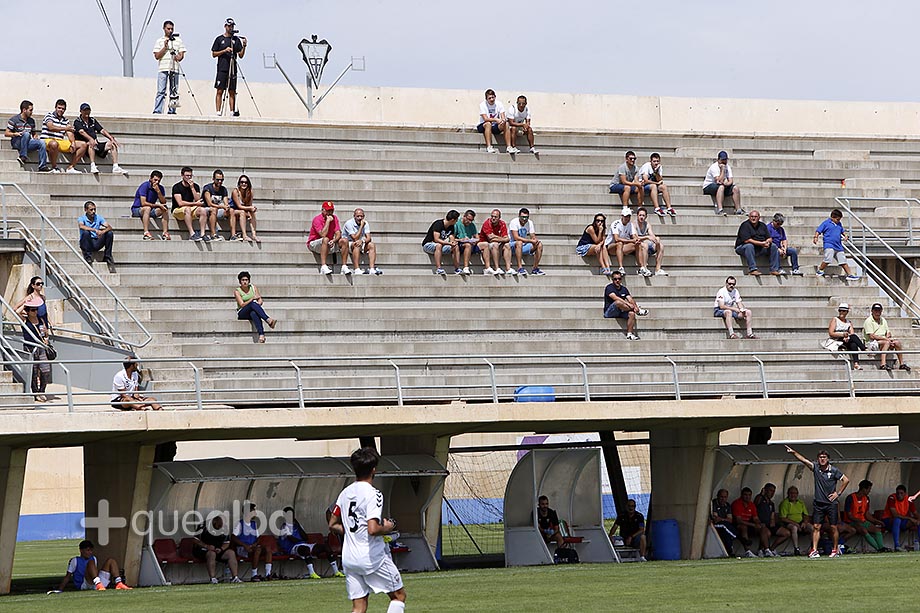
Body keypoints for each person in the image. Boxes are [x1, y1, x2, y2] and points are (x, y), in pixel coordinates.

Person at [329, 447, 407, 613]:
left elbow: (332, 524)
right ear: (373, 470)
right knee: (398, 596)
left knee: (359, 607)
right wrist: (388, 526)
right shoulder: (374, 494)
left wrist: (352, 531)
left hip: (349, 558)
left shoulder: (345, 493)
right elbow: (372, 529)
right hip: (371, 557)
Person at [785, 446, 849, 558]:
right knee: (816, 526)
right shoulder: (816, 468)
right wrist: (794, 452)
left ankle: (835, 550)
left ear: (828, 459)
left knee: (833, 527)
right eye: (820, 457)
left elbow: (846, 480)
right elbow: (804, 461)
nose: (822, 459)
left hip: (831, 504)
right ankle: (814, 550)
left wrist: (837, 493)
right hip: (819, 503)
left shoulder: (834, 470)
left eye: (824, 457)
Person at [279, 505, 343, 579]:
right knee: (305, 549)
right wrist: (302, 540)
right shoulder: (284, 527)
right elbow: (292, 540)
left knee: (325, 547)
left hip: (304, 544)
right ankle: (312, 573)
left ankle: (336, 571)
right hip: (292, 548)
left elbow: (305, 537)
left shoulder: (297, 525)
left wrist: (297, 525)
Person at [54, 540, 131, 591]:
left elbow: (94, 571)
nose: (90, 552)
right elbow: (68, 576)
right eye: (88, 550)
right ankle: (99, 584)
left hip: (94, 581)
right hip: (84, 584)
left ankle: (119, 583)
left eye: (91, 550)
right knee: (90, 562)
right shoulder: (75, 560)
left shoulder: (93, 558)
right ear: (81, 550)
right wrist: (60, 589)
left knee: (111, 561)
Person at [73, 103, 126, 175]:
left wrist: (111, 138)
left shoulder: (93, 120)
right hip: (85, 146)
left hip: (96, 143)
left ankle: (115, 167)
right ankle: (93, 165)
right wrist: (90, 139)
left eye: (88, 110)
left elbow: (102, 130)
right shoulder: (77, 121)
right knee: (90, 143)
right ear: (81, 111)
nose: (87, 112)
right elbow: (81, 132)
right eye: (85, 110)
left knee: (111, 144)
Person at [40, 99, 88, 174]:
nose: (61, 110)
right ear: (55, 108)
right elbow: (51, 127)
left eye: (63, 109)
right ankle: (54, 167)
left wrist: (73, 143)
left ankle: (71, 167)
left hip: (60, 141)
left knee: (83, 145)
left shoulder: (65, 120)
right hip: (47, 140)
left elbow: (70, 132)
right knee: (54, 144)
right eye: (59, 108)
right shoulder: (49, 116)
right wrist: (65, 128)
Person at [193, 515, 242, 584]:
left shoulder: (224, 528)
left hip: (217, 550)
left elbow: (227, 543)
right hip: (203, 550)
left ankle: (235, 577)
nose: (220, 528)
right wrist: (206, 546)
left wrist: (221, 549)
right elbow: (195, 540)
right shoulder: (203, 526)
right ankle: (213, 578)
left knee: (231, 553)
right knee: (211, 554)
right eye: (218, 526)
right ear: (214, 521)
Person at [212, 18, 246, 116]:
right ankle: (218, 111)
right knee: (220, 90)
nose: (231, 28)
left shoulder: (235, 40)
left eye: (232, 26)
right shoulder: (219, 39)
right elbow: (214, 54)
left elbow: (241, 55)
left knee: (232, 90)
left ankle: (232, 111)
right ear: (225, 26)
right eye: (229, 26)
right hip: (222, 68)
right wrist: (224, 51)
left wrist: (244, 46)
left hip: (233, 68)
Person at [231, 502, 274, 581]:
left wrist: (255, 544)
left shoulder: (254, 524)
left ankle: (268, 573)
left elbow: (257, 537)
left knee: (268, 548)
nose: (255, 513)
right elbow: (233, 537)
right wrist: (245, 545)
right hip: (243, 548)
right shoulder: (240, 523)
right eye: (253, 511)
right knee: (257, 550)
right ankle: (254, 574)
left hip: (253, 547)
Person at [864, 302, 910, 372]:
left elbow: (888, 332)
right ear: (872, 311)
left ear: (881, 311)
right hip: (871, 343)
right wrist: (886, 339)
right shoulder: (868, 321)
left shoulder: (883, 320)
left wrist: (888, 338)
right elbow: (871, 336)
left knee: (897, 342)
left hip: (883, 340)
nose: (877, 312)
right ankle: (883, 364)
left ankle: (901, 364)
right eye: (876, 310)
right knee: (886, 342)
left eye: (879, 310)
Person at [603, 269, 648, 341]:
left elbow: (630, 299)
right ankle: (638, 311)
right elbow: (615, 298)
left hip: (621, 311)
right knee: (618, 302)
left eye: (619, 279)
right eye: (615, 279)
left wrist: (635, 306)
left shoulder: (624, 289)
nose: (617, 280)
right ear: (612, 280)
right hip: (609, 312)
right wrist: (628, 304)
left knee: (632, 314)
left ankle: (629, 334)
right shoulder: (609, 287)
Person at [813, 208, 858, 280]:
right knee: (828, 258)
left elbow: (842, 231)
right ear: (832, 217)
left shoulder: (839, 224)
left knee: (843, 261)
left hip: (838, 246)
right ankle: (820, 270)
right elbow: (818, 230)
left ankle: (849, 274)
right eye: (837, 219)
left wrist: (845, 235)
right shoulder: (826, 223)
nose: (838, 221)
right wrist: (816, 237)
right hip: (829, 244)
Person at [5, 99, 50, 171]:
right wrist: (15, 134)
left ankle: (42, 166)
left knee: (42, 142)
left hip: (27, 142)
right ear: (24, 110)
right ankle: (23, 156)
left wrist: (36, 137)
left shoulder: (31, 121)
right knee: (26, 134)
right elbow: (6, 133)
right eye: (30, 110)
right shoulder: (14, 119)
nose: (32, 112)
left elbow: (33, 133)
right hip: (17, 142)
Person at [152, 20, 186, 114]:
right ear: (164, 29)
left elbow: (181, 55)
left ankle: (172, 110)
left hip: (174, 68)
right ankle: (158, 110)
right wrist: (165, 47)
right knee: (161, 91)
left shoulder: (178, 41)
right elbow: (157, 56)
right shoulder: (159, 41)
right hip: (163, 68)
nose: (170, 31)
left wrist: (178, 57)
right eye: (168, 29)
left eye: (172, 29)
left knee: (174, 90)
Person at [843, 479, 886, 552]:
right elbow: (849, 515)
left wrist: (876, 521)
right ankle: (879, 549)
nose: (869, 491)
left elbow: (866, 514)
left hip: (862, 521)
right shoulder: (850, 498)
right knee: (864, 530)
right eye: (869, 489)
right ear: (863, 489)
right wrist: (858, 521)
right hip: (851, 522)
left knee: (877, 530)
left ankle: (881, 548)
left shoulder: (867, 499)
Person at [22, 297, 51, 402]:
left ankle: (41, 391)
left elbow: (46, 333)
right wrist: (26, 301)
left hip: (41, 347)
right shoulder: (25, 320)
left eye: (36, 309)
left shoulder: (41, 319)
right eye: (32, 310)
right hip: (30, 348)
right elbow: (16, 311)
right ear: (28, 311)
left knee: (46, 370)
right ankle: (35, 393)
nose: (35, 312)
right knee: (33, 371)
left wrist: (46, 337)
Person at [235, 271, 277, 343]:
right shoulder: (237, 291)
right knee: (252, 304)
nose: (245, 282)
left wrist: (259, 302)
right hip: (242, 312)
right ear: (240, 282)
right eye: (243, 280)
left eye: (246, 280)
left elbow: (259, 299)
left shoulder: (253, 288)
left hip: (252, 308)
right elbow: (241, 304)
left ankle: (261, 335)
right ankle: (268, 320)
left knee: (253, 313)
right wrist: (252, 299)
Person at [735, 210, 780, 276]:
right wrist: (762, 243)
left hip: (758, 248)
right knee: (749, 246)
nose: (753, 218)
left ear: (759, 217)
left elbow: (769, 237)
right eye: (752, 216)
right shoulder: (745, 225)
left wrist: (768, 242)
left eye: (755, 216)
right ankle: (752, 269)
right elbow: (747, 240)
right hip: (742, 247)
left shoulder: (762, 225)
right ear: (749, 217)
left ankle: (774, 269)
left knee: (773, 246)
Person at [309, 201, 348, 275]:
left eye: (331, 210)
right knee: (325, 239)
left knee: (344, 241)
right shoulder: (317, 219)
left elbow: (338, 233)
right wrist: (328, 221)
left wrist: (334, 240)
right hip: (314, 243)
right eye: (327, 210)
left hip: (328, 243)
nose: (329, 212)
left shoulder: (335, 218)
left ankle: (344, 266)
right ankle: (323, 266)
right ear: (322, 210)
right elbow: (323, 234)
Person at [171, 166, 210, 241]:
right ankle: (192, 234)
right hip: (177, 210)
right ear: (182, 175)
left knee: (203, 210)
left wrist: (192, 188)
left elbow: (198, 200)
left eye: (190, 176)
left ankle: (203, 234)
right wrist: (194, 204)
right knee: (187, 209)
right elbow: (180, 203)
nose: (189, 177)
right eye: (187, 175)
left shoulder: (195, 186)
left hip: (190, 208)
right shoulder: (176, 187)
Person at [879, 484, 920, 552]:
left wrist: (918, 519)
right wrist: (910, 518)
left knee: (917, 521)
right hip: (889, 521)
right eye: (897, 493)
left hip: (902, 521)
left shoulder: (908, 500)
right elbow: (895, 515)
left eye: (901, 493)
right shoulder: (892, 498)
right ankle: (897, 545)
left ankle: (918, 543)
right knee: (897, 520)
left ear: (905, 494)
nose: (899, 495)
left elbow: (915, 513)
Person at [343, 208, 383, 275]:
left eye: (361, 216)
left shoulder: (365, 223)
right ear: (354, 216)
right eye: (358, 216)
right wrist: (361, 227)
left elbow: (369, 238)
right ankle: (356, 269)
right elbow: (354, 238)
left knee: (371, 245)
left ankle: (372, 269)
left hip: (359, 242)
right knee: (357, 244)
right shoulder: (349, 223)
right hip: (348, 243)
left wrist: (362, 240)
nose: (360, 218)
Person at [753, 483, 789, 556]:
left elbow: (772, 516)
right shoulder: (760, 498)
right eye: (770, 490)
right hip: (760, 524)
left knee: (786, 533)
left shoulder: (771, 503)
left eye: (773, 491)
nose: (772, 493)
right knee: (766, 532)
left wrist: (774, 523)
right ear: (765, 490)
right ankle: (763, 550)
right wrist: (761, 493)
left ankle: (771, 549)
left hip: (769, 524)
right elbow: (755, 503)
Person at [133, 170, 171, 240]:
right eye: (155, 180)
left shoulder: (160, 188)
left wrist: (158, 192)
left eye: (158, 181)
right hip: (138, 209)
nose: (156, 182)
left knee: (164, 209)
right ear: (150, 178)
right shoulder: (144, 186)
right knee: (147, 208)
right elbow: (143, 203)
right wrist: (158, 205)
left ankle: (165, 233)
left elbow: (163, 202)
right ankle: (146, 233)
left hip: (150, 209)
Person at [731, 487, 768, 558]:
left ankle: (765, 550)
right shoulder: (736, 503)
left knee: (764, 529)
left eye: (749, 495)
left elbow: (755, 518)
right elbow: (738, 520)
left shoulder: (751, 505)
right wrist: (753, 525)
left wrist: (759, 524)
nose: (747, 497)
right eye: (745, 495)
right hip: (737, 526)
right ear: (741, 495)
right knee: (743, 527)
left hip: (749, 525)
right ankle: (747, 551)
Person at [703, 151, 743, 216]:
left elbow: (730, 181)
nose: (724, 162)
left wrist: (726, 183)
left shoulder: (728, 167)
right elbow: (719, 180)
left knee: (735, 188)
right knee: (721, 187)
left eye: (725, 160)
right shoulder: (714, 167)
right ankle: (720, 210)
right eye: (722, 160)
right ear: (718, 159)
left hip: (722, 185)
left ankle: (738, 210)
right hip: (708, 186)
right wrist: (722, 170)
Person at [827, 303, 866, 370]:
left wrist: (847, 337)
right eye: (840, 310)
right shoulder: (835, 319)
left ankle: (856, 364)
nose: (841, 312)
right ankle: (864, 349)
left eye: (843, 311)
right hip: (837, 340)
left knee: (853, 344)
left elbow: (852, 333)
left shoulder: (848, 322)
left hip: (846, 340)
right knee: (853, 338)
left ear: (847, 312)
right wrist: (842, 335)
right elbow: (831, 333)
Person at [423, 210, 461, 275]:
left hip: (442, 246)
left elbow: (452, 237)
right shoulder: (438, 224)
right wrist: (449, 243)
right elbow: (436, 239)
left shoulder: (451, 226)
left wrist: (453, 242)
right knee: (439, 245)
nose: (457, 221)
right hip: (428, 244)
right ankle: (439, 269)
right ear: (452, 220)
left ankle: (457, 268)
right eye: (456, 220)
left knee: (456, 247)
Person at [778, 486, 813, 556]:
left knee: (812, 528)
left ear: (797, 494)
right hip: (788, 523)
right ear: (788, 494)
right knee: (794, 528)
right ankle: (796, 549)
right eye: (791, 493)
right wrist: (796, 524)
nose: (793, 495)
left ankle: (813, 547)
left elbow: (806, 515)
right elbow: (783, 518)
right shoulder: (785, 503)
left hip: (800, 522)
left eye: (795, 493)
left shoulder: (800, 503)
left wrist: (805, 522)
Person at [609, 206, 645, 275]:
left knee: (638, 244)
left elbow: (634, 235)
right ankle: (621, 267)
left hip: (623, 246)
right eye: (625, 216)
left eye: (628, 216)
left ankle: (642, 268)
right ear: (622, 216)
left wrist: (636, 240)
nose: (627, 218)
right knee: (619, 243)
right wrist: (632, 241)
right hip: (611, 246)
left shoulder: (630, 224)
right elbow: (616, 239)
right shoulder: (615, 224)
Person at [633, 207, 668, 276]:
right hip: (638, 245)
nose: (641, 217)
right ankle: (644, 268)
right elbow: (635, 237)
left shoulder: (647, 224)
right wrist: (646, 237)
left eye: (643, 215)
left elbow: (652, 235)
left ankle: (658, 269)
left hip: (647, 243)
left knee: (661, 245)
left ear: (646, 217)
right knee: (645, 245)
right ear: (637, 216)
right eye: (640, 215)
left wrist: (656, 239)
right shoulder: (633, 224)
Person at [509, 207, 545, 275]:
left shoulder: (530, 222)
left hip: (523, 245)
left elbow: (532, 236)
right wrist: (530, 241)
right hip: (512, 245)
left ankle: (535, 268)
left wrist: (535, 241)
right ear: (519, 216)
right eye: (522, 217)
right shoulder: (514, 222)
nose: (524, 219)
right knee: (519, 243)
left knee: (539, 244)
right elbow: (516, 237)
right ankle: (520, 268)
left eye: (526, 217)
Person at [477, 89, 514, 154]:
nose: (491, 99)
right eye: (489, 98)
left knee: (506, 124)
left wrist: (503, 121)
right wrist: (496, 119)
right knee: (488, 124)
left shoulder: (499, 104)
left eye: (493, 97)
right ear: (486, 99)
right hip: (483, 125)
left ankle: (509, 147)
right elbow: (485, 118)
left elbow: (503, 116)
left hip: (495, 126)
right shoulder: (482, 105)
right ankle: (489, 146)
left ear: (495, 97)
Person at [77, 201, 114, 265]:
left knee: (109, 233)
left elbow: (109, 227)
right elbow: (81, 226)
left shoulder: (98, 217)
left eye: (94, 209)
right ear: (86, 210)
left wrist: (102, 232)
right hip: (86, 242)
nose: (93, 211)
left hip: (96, 241)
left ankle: (107, 256)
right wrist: (95, 230)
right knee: (86, 233)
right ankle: (87, 256)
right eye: (91, 210)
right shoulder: (82, 218)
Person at [478, 209, 513, 276]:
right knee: (495, 244)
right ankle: (497, 268)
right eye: (492, 216)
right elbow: (490, 238)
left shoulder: (502, 224)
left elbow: (507, 239)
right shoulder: (487, 223)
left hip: (495, 244)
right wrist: (502, 239)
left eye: (495, 217)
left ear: (499, 218)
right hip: (485, 244)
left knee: (507, 245)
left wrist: (496, 237)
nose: (493, 218)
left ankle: (508, 269)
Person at [638, 153, 675, 217]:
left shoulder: (659, 167)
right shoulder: (646, 166)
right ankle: (657, 208)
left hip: (652, 185)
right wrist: (657, 183)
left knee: (664, 187)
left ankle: (669, 208)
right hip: (643, 186)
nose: (656, 163)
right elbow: (646, 180)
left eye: (657, 161)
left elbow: (660, 180)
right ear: (650, 161)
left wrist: (656, 172)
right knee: (653, 186)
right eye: (654, 161)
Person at [202, 169, 231, 241]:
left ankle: (233, 234)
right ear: (213, 179)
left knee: (232, 211)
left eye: (222, 180)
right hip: (206, 209)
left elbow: (225, 201)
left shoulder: (223, 189)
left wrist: (227, 207)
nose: (220, 182)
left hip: (217, 209)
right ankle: (213, 234)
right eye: (218, 180)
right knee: (213, 209)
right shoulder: (207, 188)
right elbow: (209, 204)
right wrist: (222, 206)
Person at [230, 174, 259, 242]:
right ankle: (244, 235)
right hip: (232, 211)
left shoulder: (250, 192)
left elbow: (249, 205)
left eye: (246, 182)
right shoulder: (235, 191)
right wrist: (250, 208)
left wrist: (251, 209)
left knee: (252, 212)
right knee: (243, 212)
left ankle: (254, 234)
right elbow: (239, 206)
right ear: (239, 183)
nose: (244, 184)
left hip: (241, 211)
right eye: (242, 182)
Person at [454, 209, 480, 275]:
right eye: (468, 219)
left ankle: (488, 268)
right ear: (464, 216)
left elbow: (477, 237)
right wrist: (461, 240)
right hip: (460, 244)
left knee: (485, 245)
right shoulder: (457, 224)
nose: (470, 222)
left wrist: (475, 241)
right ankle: (466, 267)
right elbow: (452, 238)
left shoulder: (472, 225)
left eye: (471, 220)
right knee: (468, 245)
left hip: (470, 242)